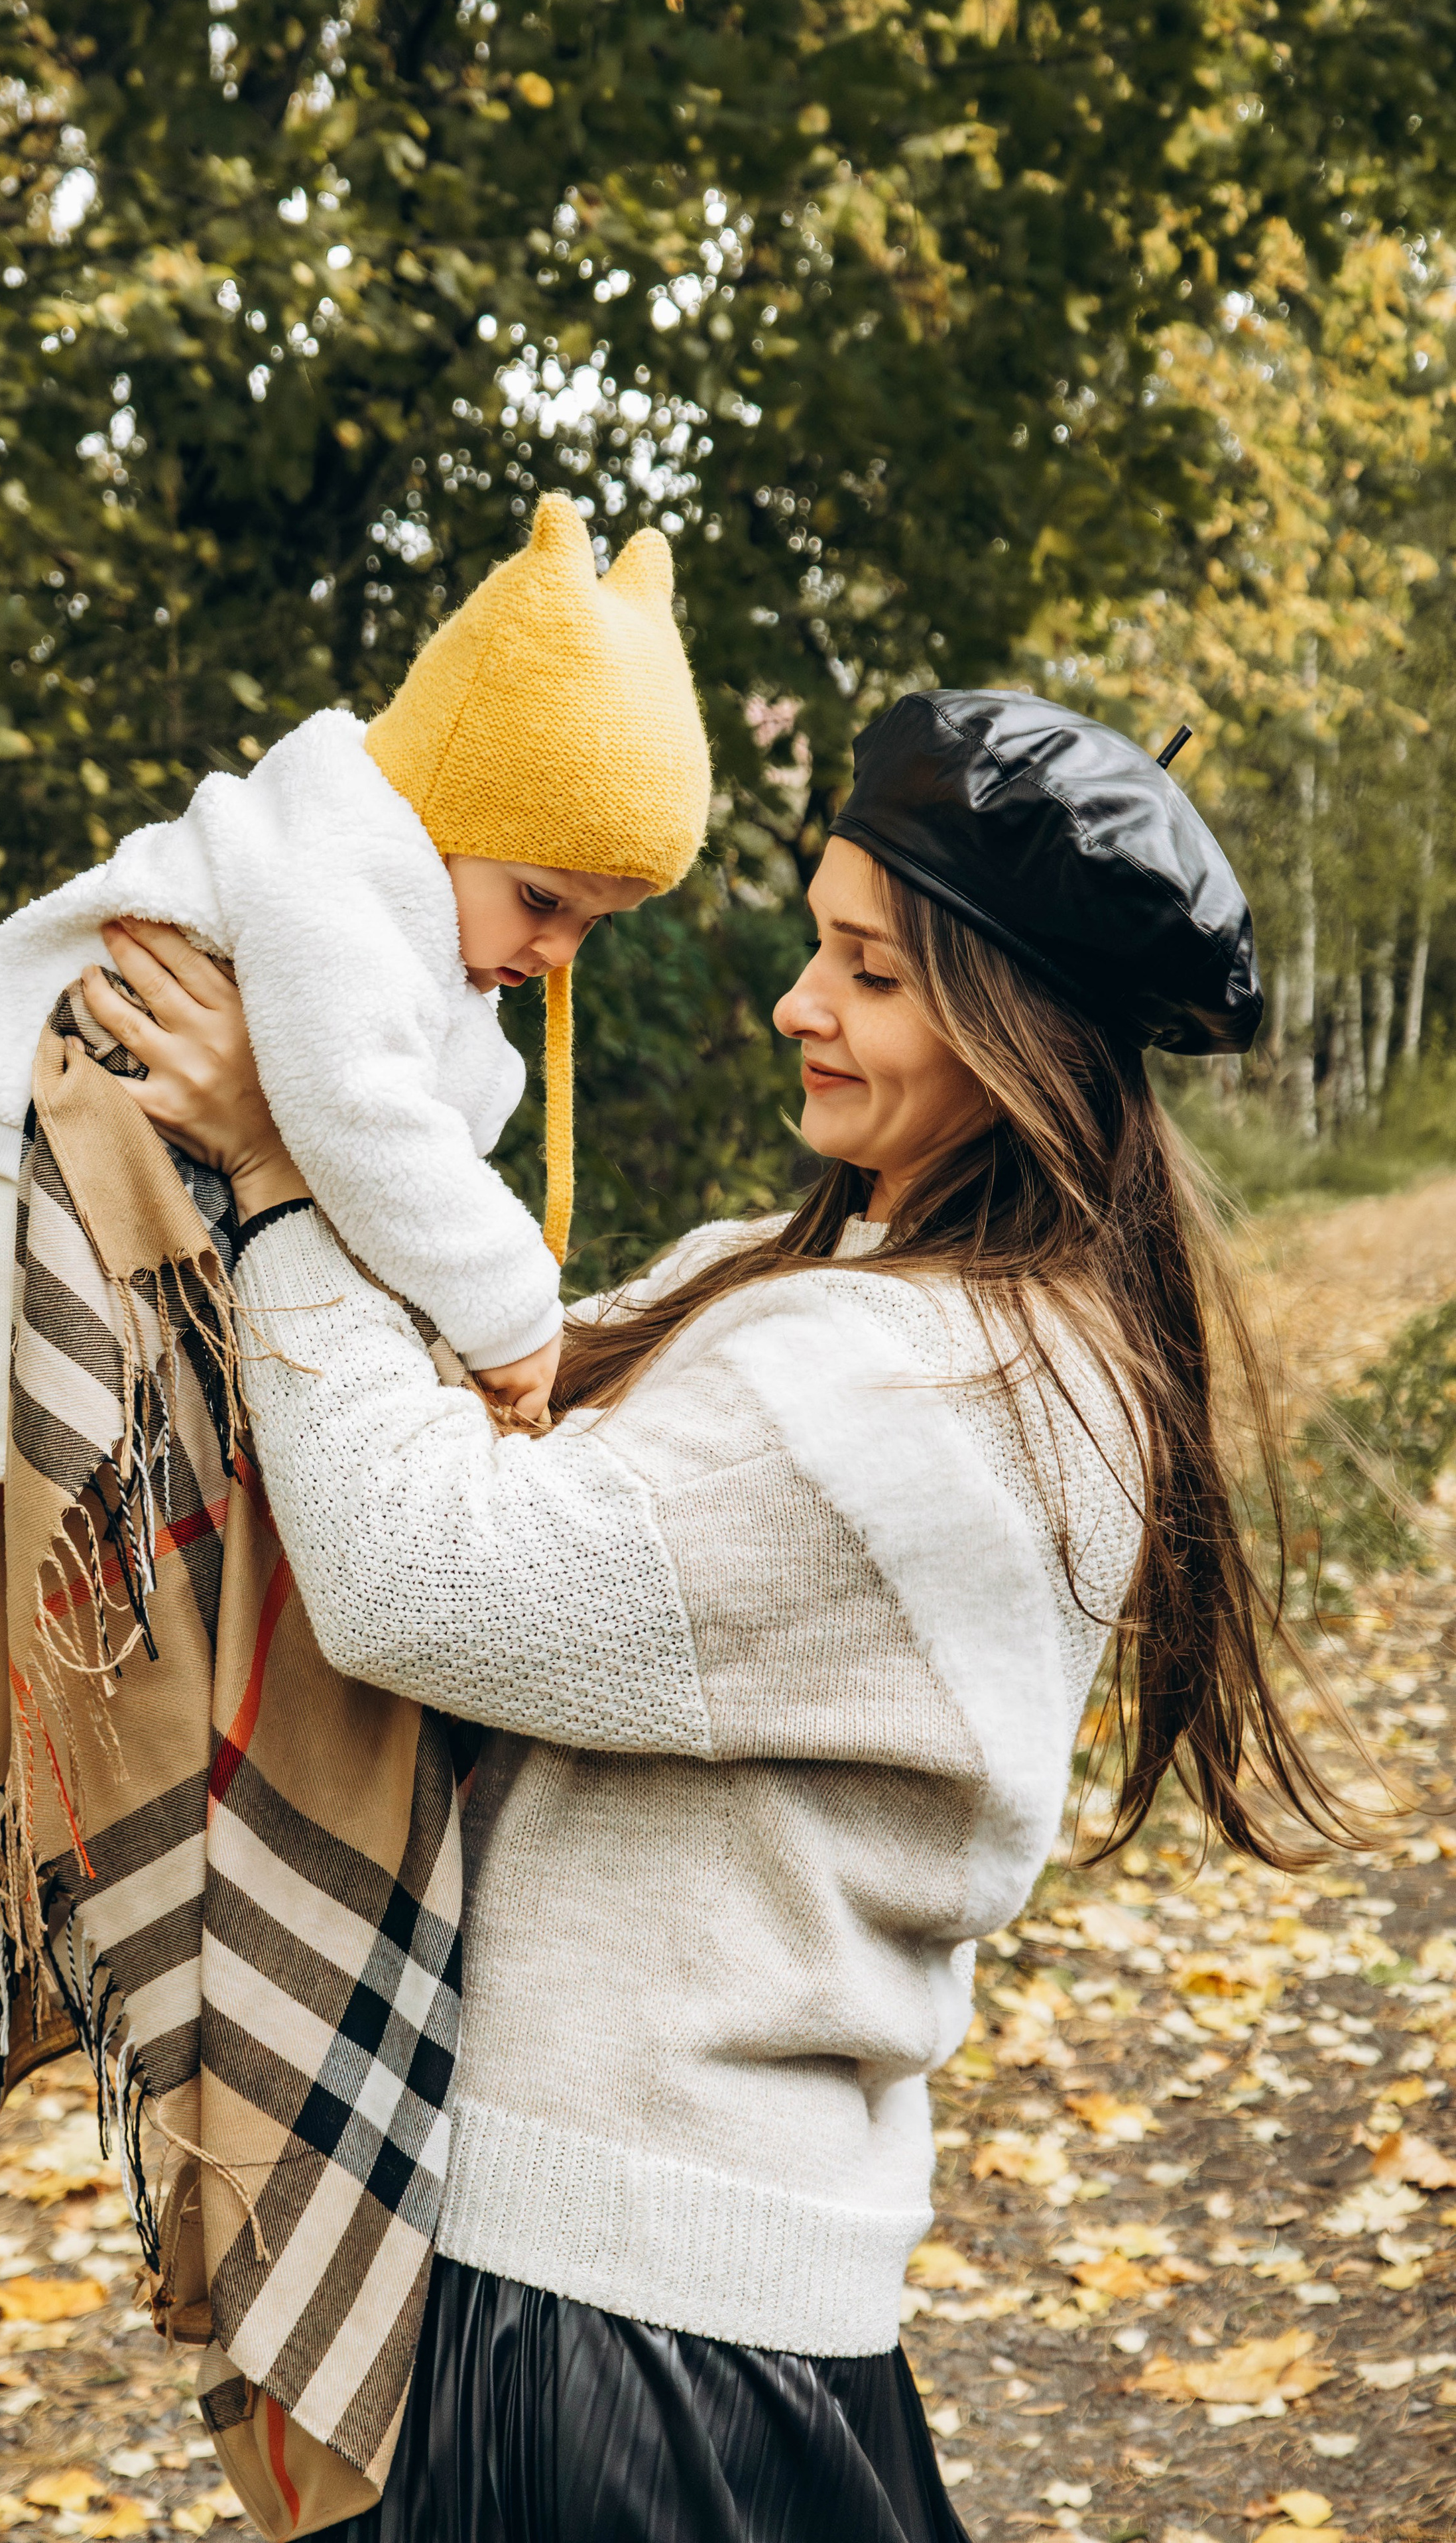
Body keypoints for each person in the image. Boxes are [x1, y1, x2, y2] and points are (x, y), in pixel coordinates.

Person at [77, 690, 1357, 2543]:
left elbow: (422, 1573)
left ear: (1024, 1035)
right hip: (666, 2293)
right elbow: (469, 1396)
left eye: (872, 972)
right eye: (816, 943)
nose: (799, 1005)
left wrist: (285, 1177)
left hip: (627, 2324)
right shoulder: (823, 1291)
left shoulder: (915, 1389)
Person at [0, 493, 708, 1466]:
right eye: (544, 900)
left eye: (595, 924)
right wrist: (512, 1316)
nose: (559, 952)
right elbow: (359, 1112)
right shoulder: (336, 872)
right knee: (42, 1549)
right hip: (10, 1212)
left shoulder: (424, 905)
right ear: (444, 812)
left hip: (111, 1202)